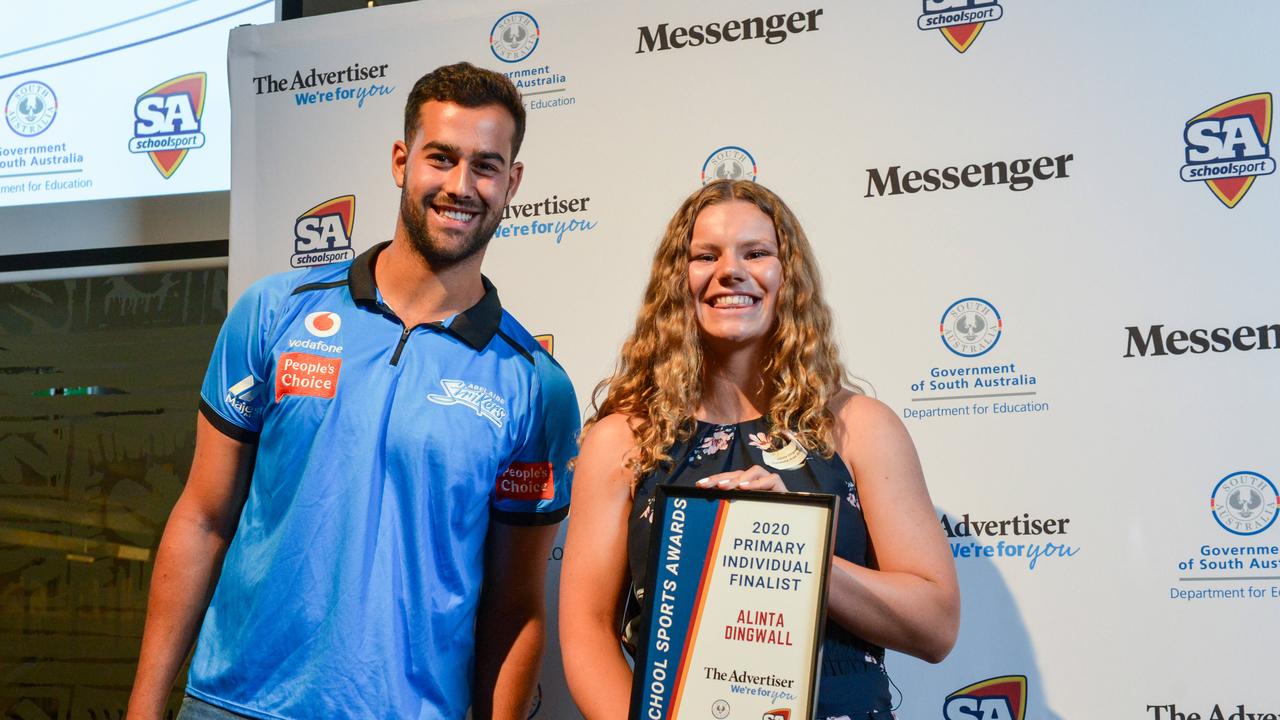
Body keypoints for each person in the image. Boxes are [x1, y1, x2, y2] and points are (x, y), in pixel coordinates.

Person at [127, 62, 578, 720]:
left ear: (512, 183)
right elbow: (202, 519)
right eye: (440, 158)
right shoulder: (274, 312)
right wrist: (143, 708)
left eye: (485, 166)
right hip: (233, 705)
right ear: (402, 161)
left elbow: (514, 610)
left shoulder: (535, 386)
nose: (460, 185)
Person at [559, 179, 958, 719]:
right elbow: (586, 636)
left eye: (756, 253)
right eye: (706, 255)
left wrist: (791, 543)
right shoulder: (625, 440)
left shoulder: (858, 427)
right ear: (678, 278)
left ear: (786, 276)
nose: (730, 270)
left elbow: (935, 628)